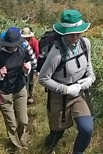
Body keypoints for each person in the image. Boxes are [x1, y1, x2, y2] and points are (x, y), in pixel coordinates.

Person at [39, 10, 96, 154]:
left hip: (80, 92)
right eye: (71, 34)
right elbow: (43, 78)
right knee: (57, 132)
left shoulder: (85, 44)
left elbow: (89, 67)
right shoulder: (56, 51)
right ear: (64, 32)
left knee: (86, 129)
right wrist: (66, 90)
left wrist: (89, 79)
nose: (75, 37)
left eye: (78, 33)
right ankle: (46, 148)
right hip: (60, 95)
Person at [0, 27, 32, 151]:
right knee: (11, 123)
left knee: (23, 120)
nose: (12, 47)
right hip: (4, 91)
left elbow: (28, 67)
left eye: (14, 45)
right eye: (9, 45)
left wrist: (26, 70)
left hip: (20, 89)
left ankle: (20, 138)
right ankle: (16, 146)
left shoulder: (23, 51)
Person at [21, 27, 40, 104]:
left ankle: (30, 96)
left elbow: (37, 52)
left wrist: (36, 65)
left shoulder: (34, 41)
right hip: (22, 62)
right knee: (24, 80)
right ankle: (24, 96)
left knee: (30, 80)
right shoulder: (21, 42)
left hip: (31, 62)